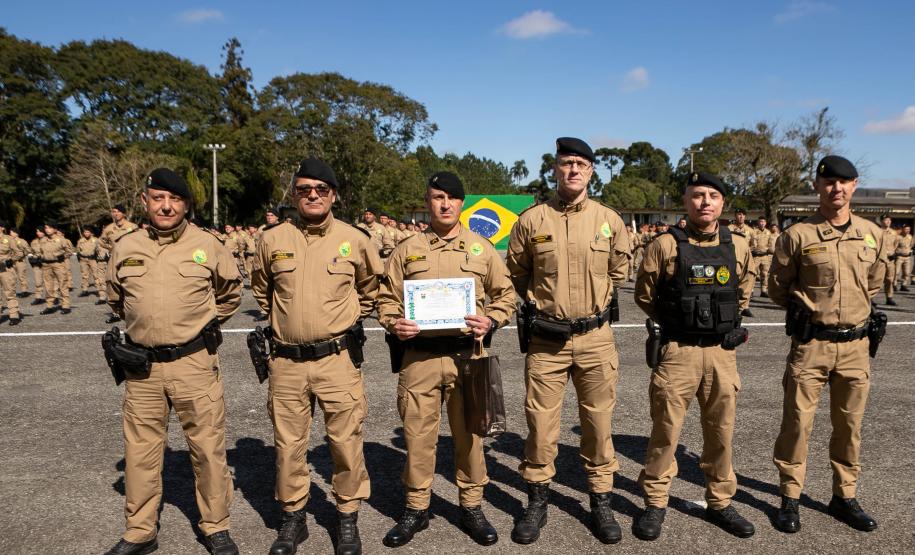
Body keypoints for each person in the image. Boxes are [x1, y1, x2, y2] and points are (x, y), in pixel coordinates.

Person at [103, 168, 242, 555]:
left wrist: (200, 326)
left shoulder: (208, 245)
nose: (166, 206)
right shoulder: (125, 246)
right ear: (144, 202)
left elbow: (230, 293)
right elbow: (117, 298)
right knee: (141, 451)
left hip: (193, 362)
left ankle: (216, 526)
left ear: (186, 204)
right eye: (158, 198)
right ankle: (140, 531)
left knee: (208, 449)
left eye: (175, 199)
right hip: (141, 368)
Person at [251, 157, 382, 555]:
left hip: (336, 359)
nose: (312, 195)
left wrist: (340, 319)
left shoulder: (355, 239)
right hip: (286, 361)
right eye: (304, 189)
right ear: (294, 194)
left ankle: (346, 516)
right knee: (288, 444)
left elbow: (372, 288)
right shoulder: (272, 240)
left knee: (345, 441)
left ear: (333, 196)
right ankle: (293, 519)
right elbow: (262, 290)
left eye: (320, 190)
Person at [378, 172, 515, 548]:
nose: (444, 204)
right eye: (437, 196)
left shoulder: (481, 249)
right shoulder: (407, 249)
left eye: (452, 198)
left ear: (461, 203)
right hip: (418, 358)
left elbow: (507, 295)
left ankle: (471, 505)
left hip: (467, 357)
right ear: (428, 201)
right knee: (418, 438)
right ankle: (416, 508)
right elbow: (386, 299)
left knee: (470, 436)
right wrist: (394, 322)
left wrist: (491, 320)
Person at [506, 137, 630, 545]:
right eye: (566, 163)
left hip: (596, 337)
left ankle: (600, 500)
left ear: (591, 171)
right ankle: (537, 500)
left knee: (598, 425)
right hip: (547, 341)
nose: (573, 169)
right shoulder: (531, 221)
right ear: (554, 169)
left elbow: (618, 273)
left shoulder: (609, 220)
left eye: (580, 163)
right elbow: (518, 274)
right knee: (540, 426)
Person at [632, 171, 756, 541]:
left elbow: (744, 291)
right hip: (678, 353)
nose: (705, 202)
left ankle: (720, 501)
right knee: (665, 432)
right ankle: (655, 503)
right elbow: (645, 295)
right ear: (685, 201)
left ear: (723, 204)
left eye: (713, 195)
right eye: (697, 195)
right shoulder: (665, 245)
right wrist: (678, 323)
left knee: (721, 433)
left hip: (721, 353)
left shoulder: (740, 246)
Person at [769, 155, 885, 534]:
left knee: (849, 426)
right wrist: (807, 311)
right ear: (817, 186)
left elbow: (874, 283)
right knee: (797, 424)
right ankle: (790, 496)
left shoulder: (872, 234)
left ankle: (844, 496)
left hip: (855, 346)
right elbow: (777, 287)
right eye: (829, 182)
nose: (837, 188)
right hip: (811, 345)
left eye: (844, 182)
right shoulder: (797, 235)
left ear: (854, 186)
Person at [99, 205, 138, 320]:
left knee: (131, 283)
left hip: (129, 259)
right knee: (111, 282)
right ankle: (117, 311)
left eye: (118, 212)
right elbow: (101, 242)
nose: (115, 214)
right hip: (114, 259)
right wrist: (110, 248)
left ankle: (134, 310)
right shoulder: (109, 229)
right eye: (114, 212)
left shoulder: (133, 227)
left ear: (124, 214)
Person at [38, 223, 72, 315]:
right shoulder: (43, 240)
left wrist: (63, 256)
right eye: (46, 228)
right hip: (46, 265)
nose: (47, 229)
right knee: (48, 286)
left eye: (50, 228)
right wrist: (39, 257)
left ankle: (66, 306)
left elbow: (69, 251)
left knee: (62, 284)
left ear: (55, 229)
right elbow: (40, 252)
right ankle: (49, 306)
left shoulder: (61, 240)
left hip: (58, 264)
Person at [0, 221, 21, 325]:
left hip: (6, 270)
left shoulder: (8, 239)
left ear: (2, 228)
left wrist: (11, 260)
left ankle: (14, 316)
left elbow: (19, 253)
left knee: (9, 292)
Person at [751, 216, 775, 298]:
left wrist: (767, 249)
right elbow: (751, 244)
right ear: (758, 222)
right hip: (755, 256)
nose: (762, 223)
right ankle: (751, 290)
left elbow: (771, 244)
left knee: (764, 274)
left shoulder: (768, 233)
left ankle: (764, 290)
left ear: (766, 223)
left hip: (765, 256)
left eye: (763, 222)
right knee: (753, 274)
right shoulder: (753, 232)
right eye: (760, 221)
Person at [77, 227, 103, 296]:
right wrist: (79, 256)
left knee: (96, 275)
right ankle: (84, 290)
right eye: (85, 232)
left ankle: (99, 290)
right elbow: (78, 250)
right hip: (83, 260)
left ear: (91, 233)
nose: (86, 234)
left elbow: (99, 249)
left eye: (88, 232)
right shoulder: (80, 241)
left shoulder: (96, 240)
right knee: (84, 275)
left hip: (93, 259)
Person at [879, 214, 898, 305]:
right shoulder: (877, 231)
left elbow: (897, 245)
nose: (888, 222)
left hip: (890, 260)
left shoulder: (894, 233)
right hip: (879, 260)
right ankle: (871, 299)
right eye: (886, 220)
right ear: (881, 221)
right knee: (876, 280)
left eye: (889, 220)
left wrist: (894, 253)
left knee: (889, 280)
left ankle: (889, 297)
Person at [9, 229, 31, 297]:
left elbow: (28, 250)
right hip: (12, 262)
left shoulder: (22, 241)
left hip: (20, 262)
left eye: (12, 232)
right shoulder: (9, 241)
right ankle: (12, 291)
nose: (10, 233)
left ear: (16, 233)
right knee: (12, 277)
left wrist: (23, 254)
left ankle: (24, 291)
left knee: (21, 277)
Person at [29, 229, 46, 305]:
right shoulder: (34, 242)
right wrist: (31, 258)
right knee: (38, 281)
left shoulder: (49, 240)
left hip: (46, 263)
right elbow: (31, 251)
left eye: (40, 231)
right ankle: (38, 297)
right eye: (37, 231)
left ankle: (53, 297)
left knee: (50, 281)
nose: (38, 233)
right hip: (37, 264)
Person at [894, 224, 912, 291]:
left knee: (906, 273)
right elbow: (895, 247)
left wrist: (910, 251)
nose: (908, 231)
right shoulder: (898, 237)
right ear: (903, 229)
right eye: (906, 229)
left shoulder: (910, 237)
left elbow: (910, 245)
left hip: (907, 258)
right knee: (896, 272)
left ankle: (903, 285)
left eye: (909, 229)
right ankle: (894, 285)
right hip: (899, 257)